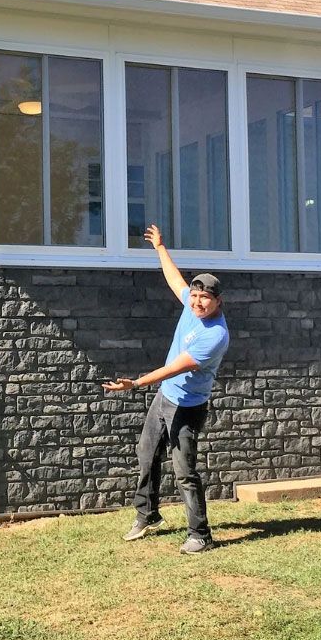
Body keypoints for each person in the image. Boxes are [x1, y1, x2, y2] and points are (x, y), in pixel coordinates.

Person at [103, 224, 230, 554]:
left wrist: (136, 383)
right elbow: (175, 279)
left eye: (205, 297)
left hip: (187, 406)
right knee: (146, 455)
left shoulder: (214, 336)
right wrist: (160, 247)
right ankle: (148, 515)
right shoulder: (190, 305)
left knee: (185, 472)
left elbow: (175, 368)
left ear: (218, 301)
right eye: (196, 295)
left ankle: (200, 535)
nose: (198, 301)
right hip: (165, 398)